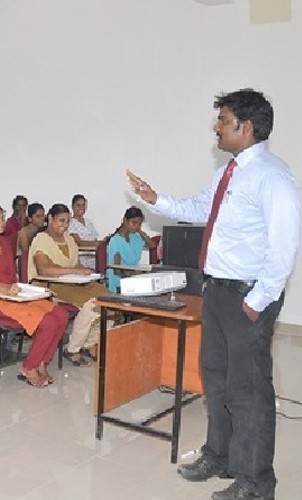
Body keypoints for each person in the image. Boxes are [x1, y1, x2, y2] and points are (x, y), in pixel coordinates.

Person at [127, 89, 299, 500]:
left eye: (223, 120)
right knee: (217, 380)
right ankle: (219, 456)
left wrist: (258, 302)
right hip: (218, 292)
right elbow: (202, 208)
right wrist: (155, 199)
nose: (216, 127)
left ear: (247, 126)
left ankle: (257, 482)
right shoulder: (231, 172)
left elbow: (285, 244)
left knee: (250, 390)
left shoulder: (273, 175)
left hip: (247, 298)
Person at [0, 203, 68, 387]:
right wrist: (5, 290)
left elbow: (10, 275)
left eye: (2, 219)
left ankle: (43, 362)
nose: (1, 223)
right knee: (48, 322)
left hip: (13, 294)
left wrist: (24, 290)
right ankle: (29, 367)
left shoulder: (5, 243)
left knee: (61, 314)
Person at [27, 204, 109, 366]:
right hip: (50, 285)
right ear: (50, 219)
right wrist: (76, 272)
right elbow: (43, 269)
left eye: (67, 222)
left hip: (73, 283)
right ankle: (72, 349)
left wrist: (86, 274)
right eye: (60, 221)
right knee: (92, 305)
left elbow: (76, 264)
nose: (64, 226)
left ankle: (89, 343)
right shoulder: (41, 239)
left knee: (111, 300)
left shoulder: (69, 239)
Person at [105, 206, 154, 293]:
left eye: (139, 224)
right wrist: (134, 274)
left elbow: (152, 245)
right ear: (125, 220)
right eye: (134, 222)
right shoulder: (116, 241)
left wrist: (140, 231)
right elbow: (117, 270)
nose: (136, 226)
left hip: (133, 279)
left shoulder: (135, 237)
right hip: (120, 282)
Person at [67, 194, 100, 269]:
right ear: (72, 207)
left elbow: (95, 239)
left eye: (83, 205)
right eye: (78, 205)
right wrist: (98, 243)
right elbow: (79, 242)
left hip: (94, 259)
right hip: (81, 261)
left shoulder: (89, 222)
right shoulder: (70, 223)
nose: (81, 208)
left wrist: (99, 243)